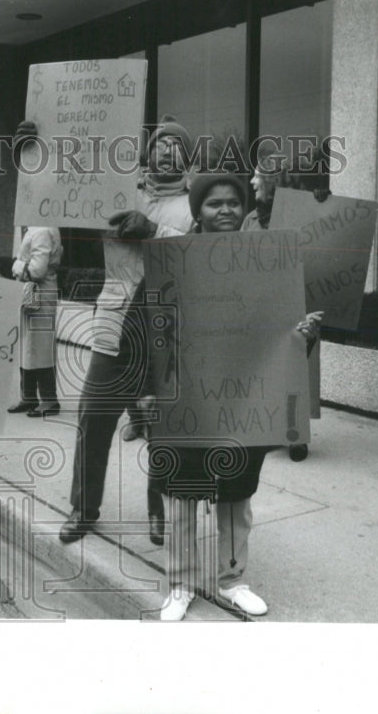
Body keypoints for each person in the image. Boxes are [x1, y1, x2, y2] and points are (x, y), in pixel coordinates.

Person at [143, 172, 322, 621]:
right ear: (197, 212)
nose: (225, 211)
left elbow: (282, 336)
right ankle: (180, 585)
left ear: (244, 209)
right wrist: (143, 393)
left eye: (233, 203)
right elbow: (142, 328)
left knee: (235, 496)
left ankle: (232, 581)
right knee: (182, 493)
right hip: (185, 399)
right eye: (213, 204)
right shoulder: (172, 260)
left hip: (242, 399)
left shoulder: (266, 263)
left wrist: (302, 335)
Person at [16, 115, 194, 546]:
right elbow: (53, 193)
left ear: (187, 159)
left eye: (177, 145)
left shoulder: (195, 204)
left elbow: (201, 256)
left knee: (162, 428)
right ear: (148, 150)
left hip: (166, 331)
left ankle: (159, 512)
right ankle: (83, 508)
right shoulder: (116, 189)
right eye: (160, 142)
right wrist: (30, 156)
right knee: (92, 420)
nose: (166, 150)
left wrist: (154, 231)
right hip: (114, 324)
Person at [240, 157, 331, 463]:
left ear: (274, 181)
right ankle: (265, 427)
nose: (252, 183)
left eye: (257, 178)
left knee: (294, 370)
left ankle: (295, 435)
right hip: (257, 307)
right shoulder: (251, 219)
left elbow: (325, 247)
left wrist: (322, 206)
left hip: (295, 306)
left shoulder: (302, 215)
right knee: (263, 369)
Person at [8, 226, 63, 417]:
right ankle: (29, 396)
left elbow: (37, 270)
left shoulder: (41, 230)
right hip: (32, 293)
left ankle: (49, 399)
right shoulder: (39, 227)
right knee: (28, 346)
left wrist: (17, 265)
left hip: (39, 293)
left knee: (40, 347)